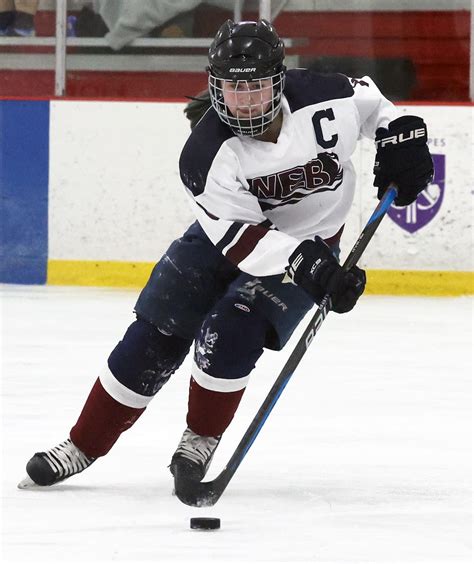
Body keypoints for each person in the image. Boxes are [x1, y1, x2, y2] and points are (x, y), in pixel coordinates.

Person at [18, 19, 433, 490]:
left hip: (312, 242)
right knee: (156, 333)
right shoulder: (206, 154)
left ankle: (199, 438)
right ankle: (82, 444)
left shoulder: (327, 95)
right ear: (214, 88)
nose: (246, 101)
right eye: (234, 90)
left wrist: (402, 135)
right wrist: (308, 267)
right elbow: (244, 242)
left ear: (279, 81)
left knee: (232, 330)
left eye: (256, 88)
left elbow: (378, 108)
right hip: (231, 238)